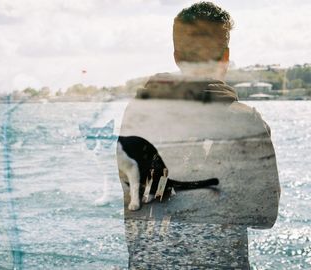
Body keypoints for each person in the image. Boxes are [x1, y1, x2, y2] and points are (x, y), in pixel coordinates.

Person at [117, 2, 280, 269]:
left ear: (177, 56)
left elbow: (139, 194)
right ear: (226, 57)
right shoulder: (244, 120)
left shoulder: (137, 113)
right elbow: (264, 216)